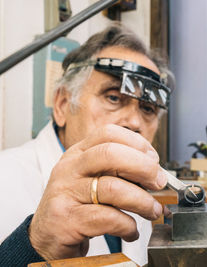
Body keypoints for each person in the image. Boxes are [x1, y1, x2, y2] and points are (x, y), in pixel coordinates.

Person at [0, 23, 171, 266]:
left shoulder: (136, 192)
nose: (134, 122)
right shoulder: (5, 179)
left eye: (147, 108)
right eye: (113, 97)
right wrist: (36, 244)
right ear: (62, 105)